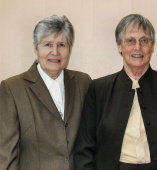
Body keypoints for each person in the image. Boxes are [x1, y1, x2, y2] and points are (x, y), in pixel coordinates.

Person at [74, 14, 157, 170]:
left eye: (144, 40)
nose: (137, 47)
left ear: (152, 46)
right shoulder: (98, 89)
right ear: (119, 46)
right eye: (130, 41)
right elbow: (84, 148)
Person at [0, 15, 91, 170]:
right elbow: (6, 155)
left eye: (62, 44)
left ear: (69, 48)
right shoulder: (12, 89)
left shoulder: (83, 82)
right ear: (36, 47)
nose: (55, 52)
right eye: (48, 44)